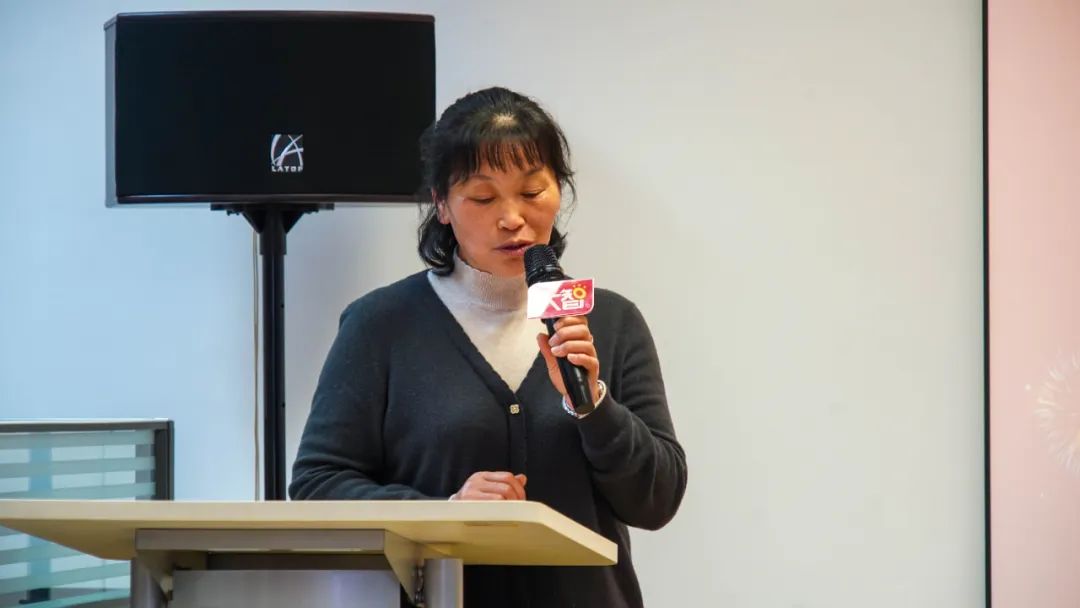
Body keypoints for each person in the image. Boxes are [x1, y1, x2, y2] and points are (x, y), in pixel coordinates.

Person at [289, 86, 687, 607]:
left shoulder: (610, 322)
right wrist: (444, 511)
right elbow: (318, 483)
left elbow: (657, 500)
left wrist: (595, 406)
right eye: (483, 198)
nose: (512, 217)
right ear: (442, 204)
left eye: (532, 192)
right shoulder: (380, 325)